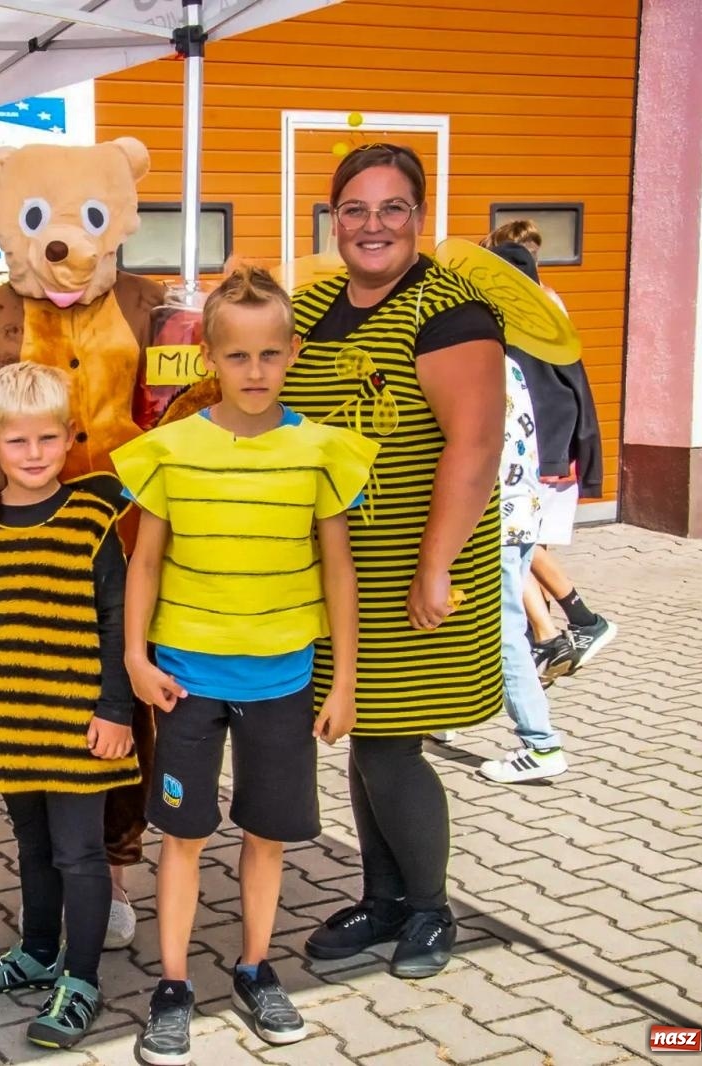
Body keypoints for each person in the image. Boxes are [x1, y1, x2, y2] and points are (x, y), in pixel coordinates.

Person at [115, 266, 374, 1065]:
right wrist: (134, 655)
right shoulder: (170, 451)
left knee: (267, 835)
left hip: (283, 683)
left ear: (292, 352)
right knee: (183, 837)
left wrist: (346, 682)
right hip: (186, 680)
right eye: (237, 356)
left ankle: (256, 967)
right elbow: (146, 563)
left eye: (269, 354)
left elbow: (339, 571)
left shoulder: (319, 453)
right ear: (209, 361)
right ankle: (171, 985)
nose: (254, 372)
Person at [287, 144, 505, 981]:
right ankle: (382, 901)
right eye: (355, 209)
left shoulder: (449, 311)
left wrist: (436, 564)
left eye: (393, 209)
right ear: (332, 219)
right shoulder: (312, 307)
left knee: (388, 746)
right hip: (339, 572)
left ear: (420, 218)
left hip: (416, 566)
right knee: (360, 733)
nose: (372, 225)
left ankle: (428, 909)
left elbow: (475, 443)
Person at [0, 364, 139, 1050]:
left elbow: (118, 619)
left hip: (80, 719)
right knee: (31, 844)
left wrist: (116, 710)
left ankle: (80, 978)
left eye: (47, 440)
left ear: (69, 439)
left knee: (80, 853)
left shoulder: (92, 515)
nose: (34, 454)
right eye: (18, 441)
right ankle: (35, 952)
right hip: (5, 714)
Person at [486, 242, 616, 683]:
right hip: (545, 461)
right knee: (519, 547)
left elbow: (574, 395)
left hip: (538, 463)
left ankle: (566, 628)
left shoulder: (527, 330)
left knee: (513, 544)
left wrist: (575, 459)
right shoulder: (541, 323)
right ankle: (557, 630)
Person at [479, 351, 568, 783]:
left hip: (494, 518)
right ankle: (443, 715)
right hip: (521, 512)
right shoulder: (506, 360)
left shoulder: (472, 362)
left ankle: (541, 743)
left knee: (506, 632)